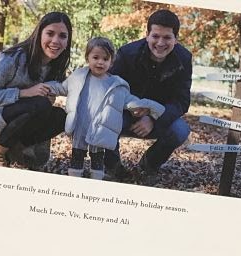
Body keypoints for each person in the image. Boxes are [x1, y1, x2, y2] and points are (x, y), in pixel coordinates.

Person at [46, 37, 164, 180]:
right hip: (80, 125)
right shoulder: (78, 77)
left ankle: (96, 180)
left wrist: (149, 107)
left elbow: (130, 101)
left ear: (111, 61)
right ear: (87, 58)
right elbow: (62, 88)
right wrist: (47, 88)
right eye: (95, 57)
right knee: (77, 155)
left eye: (105, 59)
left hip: (100, 129)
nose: (100, 62)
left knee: (97, 158)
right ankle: (74, 179)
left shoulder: (116, 85)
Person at [0, 12, 72, 167]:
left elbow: (65, 89)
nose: (56, 40)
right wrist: (24, 93)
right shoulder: (11, 59)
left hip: (15, 118)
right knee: (40, 103)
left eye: (62, 36)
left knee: (62, 117)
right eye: (50, 33)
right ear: (39, 34)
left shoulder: (55, 67)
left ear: (68, 41)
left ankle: (15, 148)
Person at [105, 9, 192, 179]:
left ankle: (148, 165)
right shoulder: (127, 54)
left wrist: (153, 118)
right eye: (155, 36)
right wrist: (132, 108)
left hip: (160, 117)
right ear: (147, 35)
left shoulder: (184, 59)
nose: (160, 43)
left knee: (181, 130)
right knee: (103, 119)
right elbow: (111, 90)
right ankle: (113, 167)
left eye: (167, 37)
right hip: (125, 113)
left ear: (176, 39)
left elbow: (182, 101)